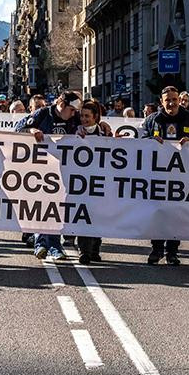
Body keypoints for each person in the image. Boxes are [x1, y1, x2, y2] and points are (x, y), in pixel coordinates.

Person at [141, 86, 189, 265]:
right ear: (161, 102)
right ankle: (156, 248)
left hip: (182, 177)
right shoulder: (152, 120)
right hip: (157, 176)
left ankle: (172, 251)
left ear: (179, 100)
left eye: (174, 99)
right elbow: (140, 141)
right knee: (157, 212)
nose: (171, 103)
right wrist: (150, 141)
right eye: (167, 100)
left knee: (176, 214)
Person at [16, 91, 83, 260]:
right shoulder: (43, 113)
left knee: (57, 207)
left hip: (63, 169)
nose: (74, 114)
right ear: (62, 105)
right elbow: (18, 129)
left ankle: (55, 245)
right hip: (40, 169)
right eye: (72, 110)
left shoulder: (74, 118)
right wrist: (31, 130)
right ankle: (40, 243)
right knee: (41, 205)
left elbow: (89, 125)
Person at [75, 101, 112, 265]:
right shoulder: (74, 131)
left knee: (97, 215)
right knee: (83, 215)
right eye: (82, 116)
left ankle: (95, 248)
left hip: (99, 180)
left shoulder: (104, 132)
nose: (83, 119)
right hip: (80, 181)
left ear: (95, 117)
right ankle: (84, 250)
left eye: (87, 116)